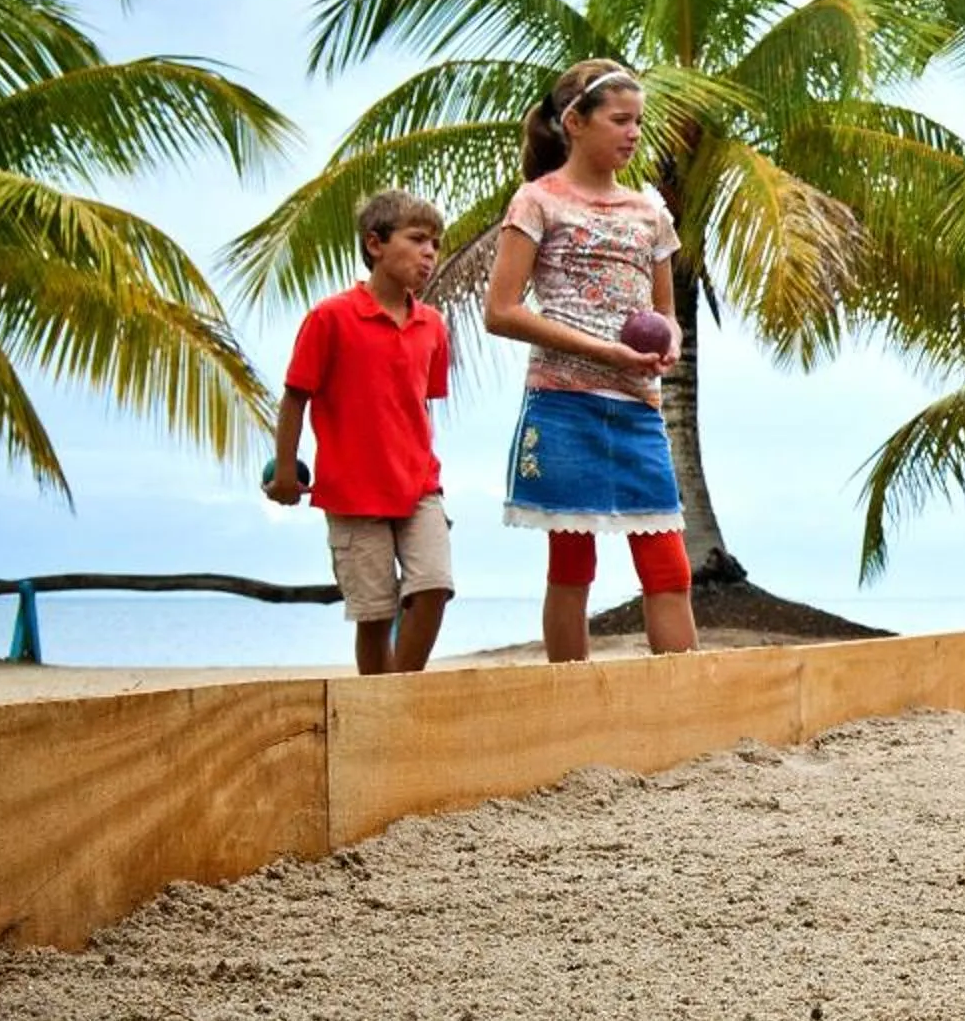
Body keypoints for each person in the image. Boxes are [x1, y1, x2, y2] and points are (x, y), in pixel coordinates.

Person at [485, 58, 697, 662]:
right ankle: (570, 700)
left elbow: (666, 311)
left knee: (668, 565)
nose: (633, 133)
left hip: (637, 409)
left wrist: (672, 342)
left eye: (639, 122)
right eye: (620, 120)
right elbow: (500, 310)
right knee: (572, 565)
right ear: (575, 122)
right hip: (563, 403)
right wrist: (600, 350)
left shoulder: (650, 213)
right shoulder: (536, 202)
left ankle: (680, 706)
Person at [266, 190, 455, 674]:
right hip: (351, 491)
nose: (429, 252)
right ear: (375, 244)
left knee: (433, 587)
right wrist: (286, 470)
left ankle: (398, 695)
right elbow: (295, 396)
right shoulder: (330, 317)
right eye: (417, 240)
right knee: (374, 615)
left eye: (435, 243)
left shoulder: (433, 326)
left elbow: (418, 407)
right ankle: (381, 706)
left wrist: (425, 471)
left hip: (419, 487)